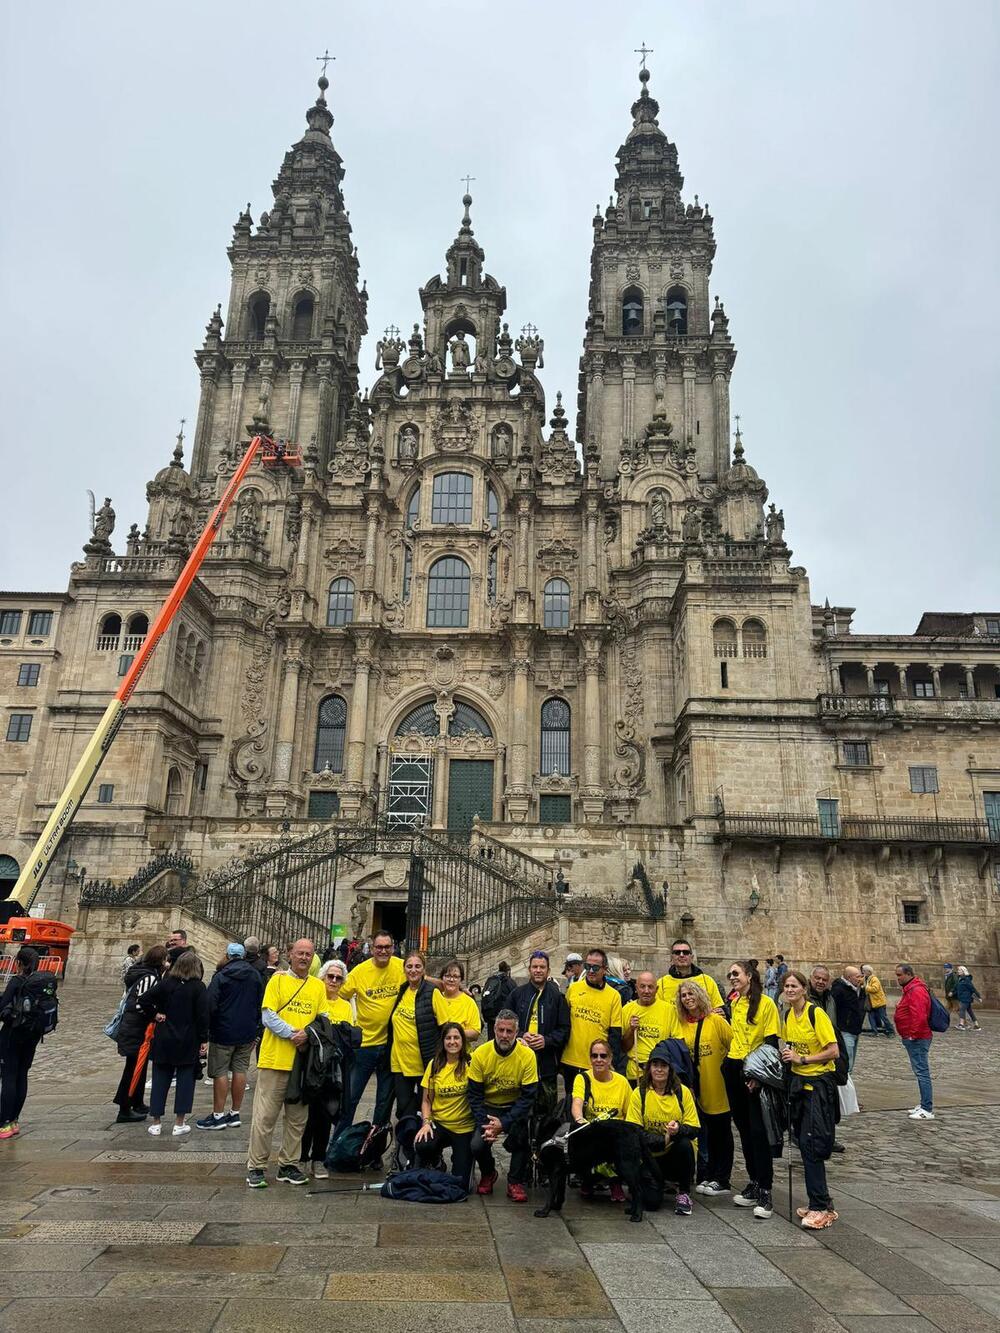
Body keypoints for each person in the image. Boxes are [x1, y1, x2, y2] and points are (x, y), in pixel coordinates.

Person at [246, 938, 327, 1187]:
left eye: (309, 954)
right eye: (300, 953)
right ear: (290, 954)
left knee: (297, 1118)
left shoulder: (318, 986)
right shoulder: (277, 980)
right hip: (274, 1059)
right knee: (265, 1117)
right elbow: (268, 1015)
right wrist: (294, 1034)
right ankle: (257, 1166)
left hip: (303, 1063)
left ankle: (288, 1164)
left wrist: (308, 1034)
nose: (304, 957)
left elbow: (323, 1018)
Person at [779, 969, 840, 1230]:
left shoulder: (816, 1014)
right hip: (799, 1085)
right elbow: (791, 1046)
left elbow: (833, 1051)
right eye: (787, 986)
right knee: (803, 1143)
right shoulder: (788, 1015)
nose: (790, 990)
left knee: (811, 1143)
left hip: (818, 1084)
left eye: (794, 986)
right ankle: (821, 1201)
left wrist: (802, 1059)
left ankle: (820, 1208)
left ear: (804, 989)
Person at [722, 960, 780, 1219]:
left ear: (749, 976)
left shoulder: (766, 1004)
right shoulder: (734, 1003)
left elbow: (770, 1043)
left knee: (758, 1131)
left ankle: (765, 1188)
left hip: (754, 1072)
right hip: (734, 1069)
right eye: (730, 974)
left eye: (736, 973)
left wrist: (759, 1076)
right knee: (744, 1130)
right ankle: (754, 1181)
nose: (732, 977)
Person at [336, 929, 406, 1133]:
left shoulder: (402, 967)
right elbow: (336, 993)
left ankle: (373, 1150)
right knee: (350, 1098)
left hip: (391, 1046)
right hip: (364, 1046)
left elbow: (424, 979)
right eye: (379, 947)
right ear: (371, 948)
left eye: (387, 947)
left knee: (384, 1104)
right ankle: (337, 1145)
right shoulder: (359, 971)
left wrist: (451, 988)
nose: (383, 951)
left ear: (393, 948)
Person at [468, 1008, 538, 1202]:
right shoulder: (481, 1054)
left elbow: (528, 1097)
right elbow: (474, 1095)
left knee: (522, 1137)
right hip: (488, 1106)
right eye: (501, 1030)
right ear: (495, 1030)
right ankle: (489, 1172)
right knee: (476, 1144)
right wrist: (488, 1125)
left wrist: (504, 1124)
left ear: (516, 1033)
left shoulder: (528, 1056)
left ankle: (515, 1181)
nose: (504, 1035)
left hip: (514, 1106)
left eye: (509, 1031)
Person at [139, 950, 209, 1137]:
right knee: (186, 1080)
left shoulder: (166, 984)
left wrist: (155, 1014)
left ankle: (156, 1122)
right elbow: (203, 1016)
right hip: (188, 1038)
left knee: (160, 1079)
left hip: (164, 1036)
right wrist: (204, 1039)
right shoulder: (198, 987)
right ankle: (179, 1122)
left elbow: (143, 1000)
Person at [626, 1042, 701, 1215]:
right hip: (649, 1156)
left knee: (684, 1144)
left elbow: (695, 1128)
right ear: (649, 1068)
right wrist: (663, 1139)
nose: (659, 1070)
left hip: (674, 1154)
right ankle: (651, 1185)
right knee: (651, 1204)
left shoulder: (682, 1092)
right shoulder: (640, 1093)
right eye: (655, 1065)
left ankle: (683, 1192)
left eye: (663, 1066)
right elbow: (634, 1131)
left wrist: (678, 1130)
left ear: (670, 1069)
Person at [300, 960, 358, 1179]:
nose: (334, 981)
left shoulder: (345, 1005)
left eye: (338, 978)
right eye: (330, 977)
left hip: (335, 1067)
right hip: (314, 1064)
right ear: (322, 977)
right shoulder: (316, 998)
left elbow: (348, 1034)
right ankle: (302, 1157)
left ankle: (318, 1158)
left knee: (327, 1112)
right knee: (308, 1112)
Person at [197, 942, 264, 1131]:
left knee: (220, 1072)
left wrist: (207, 1029)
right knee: (240, 1070)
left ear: (227, 955)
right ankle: (235, 1113)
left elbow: (210, 1004)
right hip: (246, 1031)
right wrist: (256, 1029)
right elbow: (260, 1003)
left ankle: (218, 1115)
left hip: (223, 1031)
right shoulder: (255, 976)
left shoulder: (221, 976)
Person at [675, 979, 734, 1196]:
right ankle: (706, 1174)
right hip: (694, 1089)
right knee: (702, 1133)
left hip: (717, 1085)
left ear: (700, 995)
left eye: (691, 994)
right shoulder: (681, 1023)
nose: (688, 998)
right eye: (684, 995)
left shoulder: (715, 1021)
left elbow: (733, 1045)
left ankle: (722, 1178)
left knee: (721, 1133)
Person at [570, 1037, 634, 1204]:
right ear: (590, 1058)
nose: (598, 1060)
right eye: (594, 1056)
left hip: (615, 1135)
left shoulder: (622, 1082)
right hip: (591, 1132)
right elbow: (576, 1103)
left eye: (603, 1056)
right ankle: (589, 1179)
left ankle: (615, 1182)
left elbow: (630, 1115)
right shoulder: (582, 1078)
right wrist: (579, 1119)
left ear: (610, 1058)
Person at [389, 950, 448, 1122]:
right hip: (400, 1063)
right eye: (409, 966)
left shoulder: (432, 992)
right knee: (403, 1109)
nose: (413, 970)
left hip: (424, 1063)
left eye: (417, 966)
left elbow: (446, 1027)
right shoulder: (402, 990)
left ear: (423, 970)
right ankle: (405, 1145)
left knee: (426, 1108)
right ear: (404, 969)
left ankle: (424, 1144)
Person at [510, 950, 570, 1117]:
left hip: (547, 1065)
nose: (538, 970)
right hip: (519, 1064)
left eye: (542, 967)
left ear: (548, 971)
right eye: (535, 967)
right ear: (529, 969)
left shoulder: (557, 997)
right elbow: (504, 1025)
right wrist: (521, 1035)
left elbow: (565, 1029)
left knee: (547, 1116)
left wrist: (547, 1040)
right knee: (521, 1115)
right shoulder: (517, 994)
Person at [113, 943, 168, 1121]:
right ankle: (124, 1109)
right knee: (133, 1068)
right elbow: (140, 1004)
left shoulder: (145, 973)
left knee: (140, 1066)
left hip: (136, 1027)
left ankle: (137, 1102)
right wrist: (155, 1014)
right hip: (137, 1028)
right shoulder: (149, 978)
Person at [415, 1022, 475, 1185]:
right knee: (422, 1144)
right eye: (448, 1038)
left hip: (464, 1127)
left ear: (463, 1041)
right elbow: (426, 1101)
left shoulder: (471, 1064)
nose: (452, 1042)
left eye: (456, 1037)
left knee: (460, 1184)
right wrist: (426, 1123)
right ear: (443, 1041)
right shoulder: (434, 1065)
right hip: (440, 1124)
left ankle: (463, 1159)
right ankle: (436, 1161)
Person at [0, 947, 51, 1139]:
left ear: (19, 963)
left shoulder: (17, 981)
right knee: (22, 1074)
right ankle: (13, 1121)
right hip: (32, 1035)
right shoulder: (41, 982)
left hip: (12, 1034)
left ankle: (3, 1123)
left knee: (9, 1076)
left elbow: (3, 1006)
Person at [562, 949, 624, 1091]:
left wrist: (611, 1061)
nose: (590, 971)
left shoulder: (614, 996)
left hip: (597, 1062)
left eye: (595, 968)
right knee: (571, 1105)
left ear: (605, 970)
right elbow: (564, 1024)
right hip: (570, 1060)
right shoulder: (573, 989)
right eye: (587, 966)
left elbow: (615, 1034)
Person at [621, 970, 678, 1084]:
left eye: (650, 987)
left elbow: (675, 1043)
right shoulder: (626, 1010)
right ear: (636, 988)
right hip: (635, 1072)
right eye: (642, 987)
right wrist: (631, 1030)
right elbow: (623, 1047)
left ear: (656, 990)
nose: (646, 991)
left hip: (659, 1071)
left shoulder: (669, 1010)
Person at [894, 963, 934, 1120]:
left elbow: (919, 1016)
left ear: (909, 974)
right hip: (914, 1037)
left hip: (917, 1038)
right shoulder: (911, 989)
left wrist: (912, 1035)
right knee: (920, 1071)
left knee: (922, 1072)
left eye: (899, 975)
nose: (897, 978)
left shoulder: (916, 990)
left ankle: (927, 1109)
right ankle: (924, 1104)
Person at [657, 939, 724, 1011]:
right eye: (677, 952)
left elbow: (718, 1008)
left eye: (685, 952)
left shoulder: (707, 981)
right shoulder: (661, 983)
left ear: (692, 957)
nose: (681, 955)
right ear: (672, 957)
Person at [436, 960, 482, 1044]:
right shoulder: (435, 998)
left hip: (461, 1052)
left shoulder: (468, 1002)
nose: (451, 979)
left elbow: (475, 1033)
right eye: (447, 976)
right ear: (442, 978)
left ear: (461, 980)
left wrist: (453, 1032)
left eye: (455, 976)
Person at [831, 967, 866, 1073]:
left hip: (856, 1029)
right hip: (845, 1030)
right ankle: (844, 1084)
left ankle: (847, 1082)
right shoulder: (839, 989)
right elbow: (833, 1008)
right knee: (847, 1062)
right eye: (857, 976)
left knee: (851, 1062)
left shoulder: (859, 989)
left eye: (861, 976)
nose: (860, 979)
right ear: (849, 977)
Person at [480, 961, 516, 1039]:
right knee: (504, 1038)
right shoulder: (510, 982)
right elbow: (515, 998)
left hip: (491, 1014)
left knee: (491, 1039)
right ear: (508, 971)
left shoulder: (491, 980)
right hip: (504, 1016)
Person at [862, 965, 893, 1036]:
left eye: (864, 971)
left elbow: (875, 989)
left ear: (869, 972)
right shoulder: (866, 979)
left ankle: (891, 1031)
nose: (863, 972)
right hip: (871, 1002)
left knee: (883, 1017)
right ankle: (874, 1032)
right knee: (871, 1017)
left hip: (878, 1002)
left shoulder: (874, 979)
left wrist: (865, 987)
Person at [955, 966, 982, 1031]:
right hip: (963, 998)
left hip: (966, 998)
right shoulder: (960, 979)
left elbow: (972, 988)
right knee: (970, 1011)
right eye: (958, 970)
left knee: (962, 1010)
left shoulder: (966, 979)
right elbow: (958, 988)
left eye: (959, 970)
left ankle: (961, 1025)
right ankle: (977, 1025)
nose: (958, 971)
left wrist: (979, 996)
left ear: (963, 971)